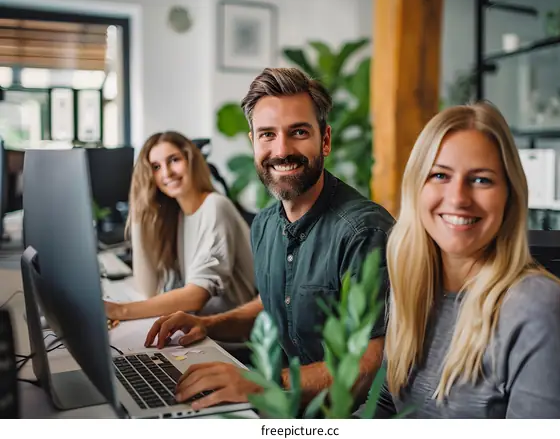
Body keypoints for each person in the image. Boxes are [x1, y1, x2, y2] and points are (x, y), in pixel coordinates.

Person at [144, 67, 395, 411]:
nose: (282, 149)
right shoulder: (264, 224)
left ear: (325, 140)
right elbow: (274, 302)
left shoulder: (364, 232)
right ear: (253, 142)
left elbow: (366, 365)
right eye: (267, 135)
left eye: (298, 132)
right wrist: (207, 325)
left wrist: (257, 384)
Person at [355, 102, 560, 419]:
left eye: (481, 180)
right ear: (416, 187)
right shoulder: (414, 286)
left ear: (510, 195)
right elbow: (385, 407)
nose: (458, 198)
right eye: (440, 175)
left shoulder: (539, 309)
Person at [104, 131, 256, 321]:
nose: (167, 173)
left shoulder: (215, 206)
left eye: (174, 160)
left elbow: (196, 296)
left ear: (191, 160)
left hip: (230, 340)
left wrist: (120, 311)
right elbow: (149, 289)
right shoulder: (177, 217)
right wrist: (139, 213)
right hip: (197, 332)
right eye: (156, 167)